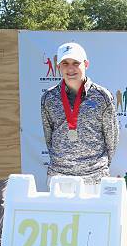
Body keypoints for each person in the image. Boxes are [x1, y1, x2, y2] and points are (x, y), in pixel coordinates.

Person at [41, 42, 119, 192]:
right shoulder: (48, 98)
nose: (70, 69)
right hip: (60, 178)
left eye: (76, 63)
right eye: (65, 63)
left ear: (86, 64)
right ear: (58, 67)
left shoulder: (102, 96)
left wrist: (97, 166)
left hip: (95, 178)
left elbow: (112, 138)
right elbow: (49, 137)